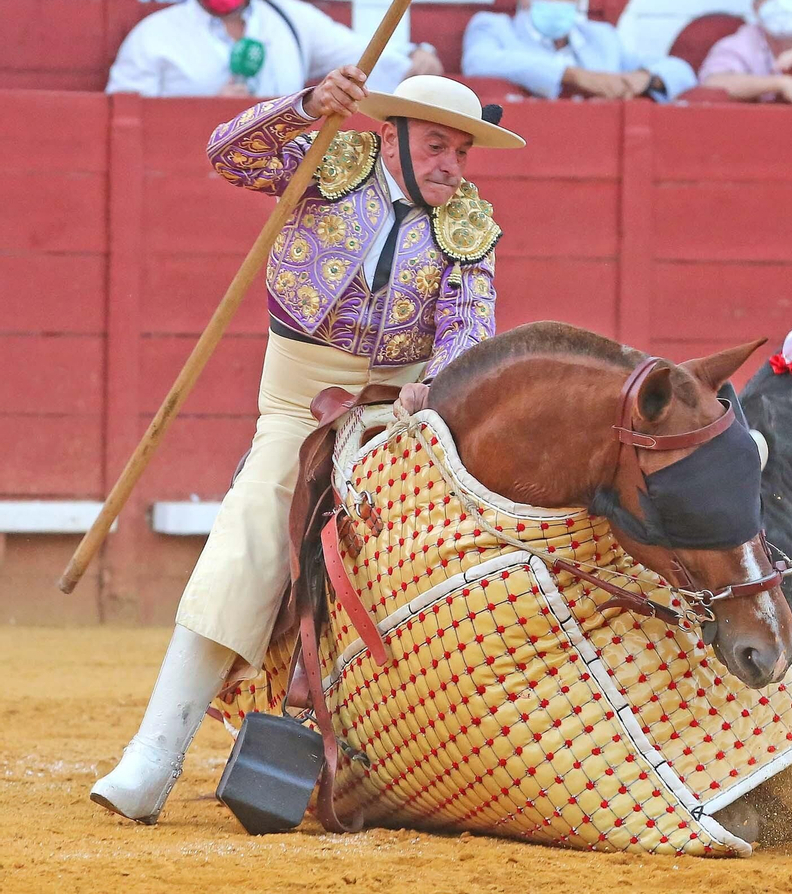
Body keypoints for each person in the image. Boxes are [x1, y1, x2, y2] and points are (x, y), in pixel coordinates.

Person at [89, 69, 525, 823]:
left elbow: (468, 327)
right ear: (387, 137)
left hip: (401, 413)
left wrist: (439, 386)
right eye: (436, 146)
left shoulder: (470, 227)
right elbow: (228, 156)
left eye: (462, 150)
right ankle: (154, 754)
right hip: (297, 401)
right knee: (252, 531)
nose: (452, 165)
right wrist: (302, 108)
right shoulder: (330, 159)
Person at [106, 0, 441, 98]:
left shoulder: (289, 20)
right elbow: (124, 113)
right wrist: (202, 108)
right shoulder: (154, 36)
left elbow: (358, 54)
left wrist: (413, 56)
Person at [461, 0, 695, 101]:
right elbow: (479, 61)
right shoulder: (494, 27)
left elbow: (681, 71)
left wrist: (645, 78)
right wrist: (573, 76)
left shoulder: (602, 38)